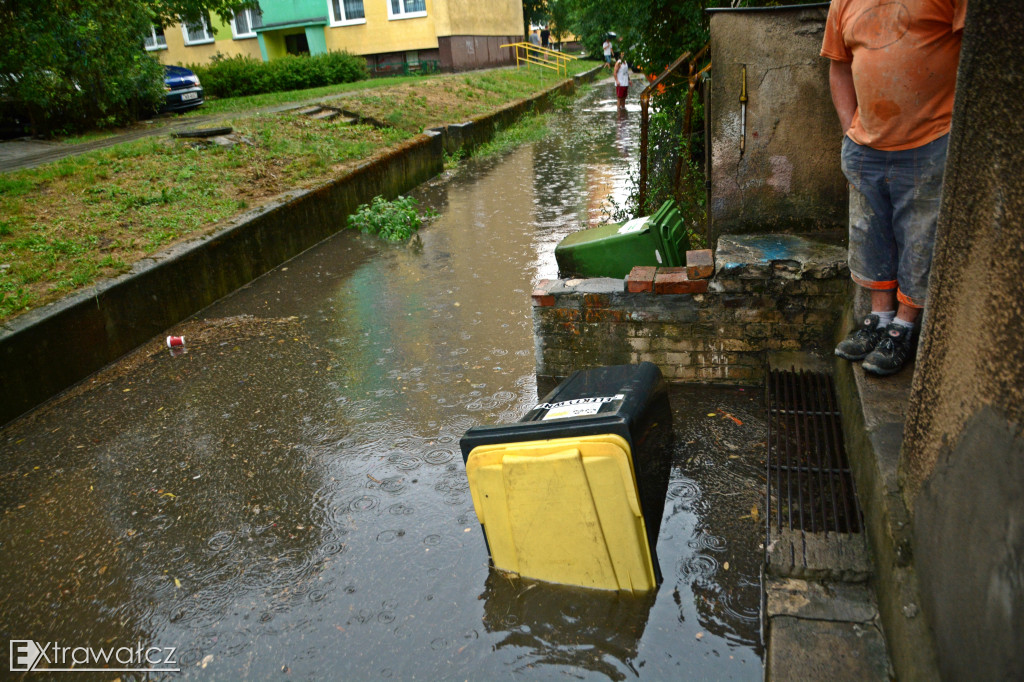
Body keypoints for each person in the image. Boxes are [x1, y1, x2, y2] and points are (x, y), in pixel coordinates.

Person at [823, 0, 967, 376]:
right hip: (865, 145)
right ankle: (878, 320)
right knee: (870, 235)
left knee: (919, 238)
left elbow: (974, 53)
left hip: (931, 141)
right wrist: (849, 131)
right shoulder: (845, 2)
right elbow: (838, 66)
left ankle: (903, 329)